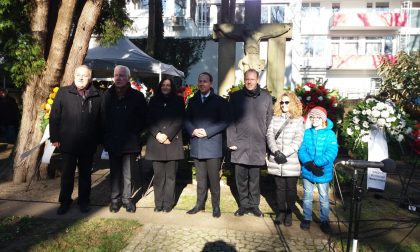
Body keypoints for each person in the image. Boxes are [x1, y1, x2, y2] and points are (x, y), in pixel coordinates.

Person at [49, 65, 102, 215]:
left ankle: (84, 201)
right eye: (78, 74)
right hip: (67, 142)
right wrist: (55, 137)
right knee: (67, 174)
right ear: (73, 76)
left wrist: (100, 140)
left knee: (85, 175)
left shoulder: (97, 95)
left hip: (88, 143)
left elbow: (102, 120)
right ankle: (65, 201)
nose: (80, 78)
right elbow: (54, 117)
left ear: (90, 77)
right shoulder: (63, 92)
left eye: (84, 75)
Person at [227, 69, 273, 217]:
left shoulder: (266, 97)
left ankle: (254, 205)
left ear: (257, 80)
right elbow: (230, 121)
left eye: (252, 79)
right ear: (244, 79)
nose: (249, 81)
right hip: (239, 144)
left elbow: (269, 121)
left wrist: (268, 145)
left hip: (258, 145)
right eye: (247, 79)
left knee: (254, 179)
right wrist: (231, 141)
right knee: (240, 178)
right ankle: (243, 205)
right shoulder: (235, 97)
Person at [101, 65, 147, 213]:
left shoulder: (137, 96)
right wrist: (106, 138)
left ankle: (127, 200)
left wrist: (134, 132)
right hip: (113, 142)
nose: (118, 78)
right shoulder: (107, 95)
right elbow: (102, 118)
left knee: (128, 174)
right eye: (116, 75)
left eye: (121, 75)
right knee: (114, 173)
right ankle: (115, 200)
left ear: (128, 78)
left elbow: (144, 119)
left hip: (130, 142)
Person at [185, 72, 229, 218]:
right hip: (197, 145)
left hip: (212, 146)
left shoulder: (219, 101)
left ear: (210, 83)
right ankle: (199, 204)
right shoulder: (192, 101)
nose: (202, 83)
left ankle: (216, 206)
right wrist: (192, 130)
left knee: (214, 180)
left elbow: (224, 121)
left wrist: (207, 131)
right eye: (200, 81)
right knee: (201, 180)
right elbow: (186, 120)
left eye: (205, 81)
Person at [145, 78, 185, 213]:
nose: (166, 87)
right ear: (160, 86)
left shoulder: (179, 100)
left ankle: (168, 204)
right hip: (156, 143)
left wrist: (167, 135)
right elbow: (148, 119)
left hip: (172, 141)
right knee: (159, 176)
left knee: (171, 176)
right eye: (163, 85)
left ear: (171, 87)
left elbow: (180, 119)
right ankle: (158, 204)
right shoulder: (153, 100)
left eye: (168, 85)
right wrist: (158, 135)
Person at [266, 91, 305, 226]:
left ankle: (289, 212)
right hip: (276, 159)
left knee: (291, 190)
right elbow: (269, 135)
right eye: (281, 102)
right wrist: (276, 152)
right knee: (279, 188)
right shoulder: (274, 117)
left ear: (293, 103)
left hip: (290, 160)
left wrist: (285, 153)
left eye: (286, 102)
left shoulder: (298, 120)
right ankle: (280, 212)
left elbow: (298, 140)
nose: (283, 105)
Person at [298, 106, 338, 234]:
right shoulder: (306, 132)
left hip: (322, 171)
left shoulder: (330, 134)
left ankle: (324, 220)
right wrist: (309, 163)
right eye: (312, 116)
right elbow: (301, 149)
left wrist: (317, 163)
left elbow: (332, 152)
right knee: (307, 195)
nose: (314, 119)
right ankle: (307, 218)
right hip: (308, 169)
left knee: (324, 197)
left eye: (317, 117)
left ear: (323, 119)